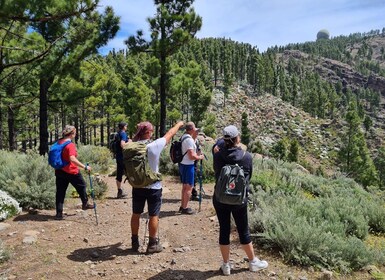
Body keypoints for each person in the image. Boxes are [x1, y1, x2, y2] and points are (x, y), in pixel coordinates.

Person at [212, 125, 268, 276]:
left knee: (224, 229)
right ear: (238, 138)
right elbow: (249, 177)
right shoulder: (247, 156)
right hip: (239, 200)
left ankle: (226, 265)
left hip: (220, 198)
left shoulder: (217, 155)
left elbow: (217, 174)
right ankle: (253, 262)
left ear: (224, 140)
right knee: (243, 229)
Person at [130, 120, 184, 254]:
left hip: (137, 185)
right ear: (148, 132)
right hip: (153, 186)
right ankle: (152, 244)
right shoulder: (154, 145)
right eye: (152, 131)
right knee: (154, 215)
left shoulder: (132, 146)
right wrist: (179, 124)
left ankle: (134, 241)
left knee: (136, 213)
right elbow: (170, 133)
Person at [54, 125, 94, 220]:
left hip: (59, 170)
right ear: (72, 134)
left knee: (60, 192)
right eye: (75, 133)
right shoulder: (70, 145)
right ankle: (85, 203)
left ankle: (59, 213)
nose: (75, 135)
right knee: (82, 185)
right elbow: (72, 159)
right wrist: (85, 167)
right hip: (71, 171)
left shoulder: (59, 142)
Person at [178, 122, 204, 214]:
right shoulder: (189, 140)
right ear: (192, 129)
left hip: (182, 164)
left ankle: (183, 206)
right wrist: (200, 157)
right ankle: (185, 208)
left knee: (185, 186)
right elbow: (191, 156)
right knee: (189, 186)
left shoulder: (183, 137)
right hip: (188, 165)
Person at [115, 121, 130, 198]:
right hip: (124, 157)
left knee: (119, 174)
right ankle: (137, 189)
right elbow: (122, 144)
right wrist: (130, 142)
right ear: (124, 127)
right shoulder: (123, 133)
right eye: (126, 126)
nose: (126, 127)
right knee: (131, 173)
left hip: (118, 156)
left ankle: (119, 191)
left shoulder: (117, 134)